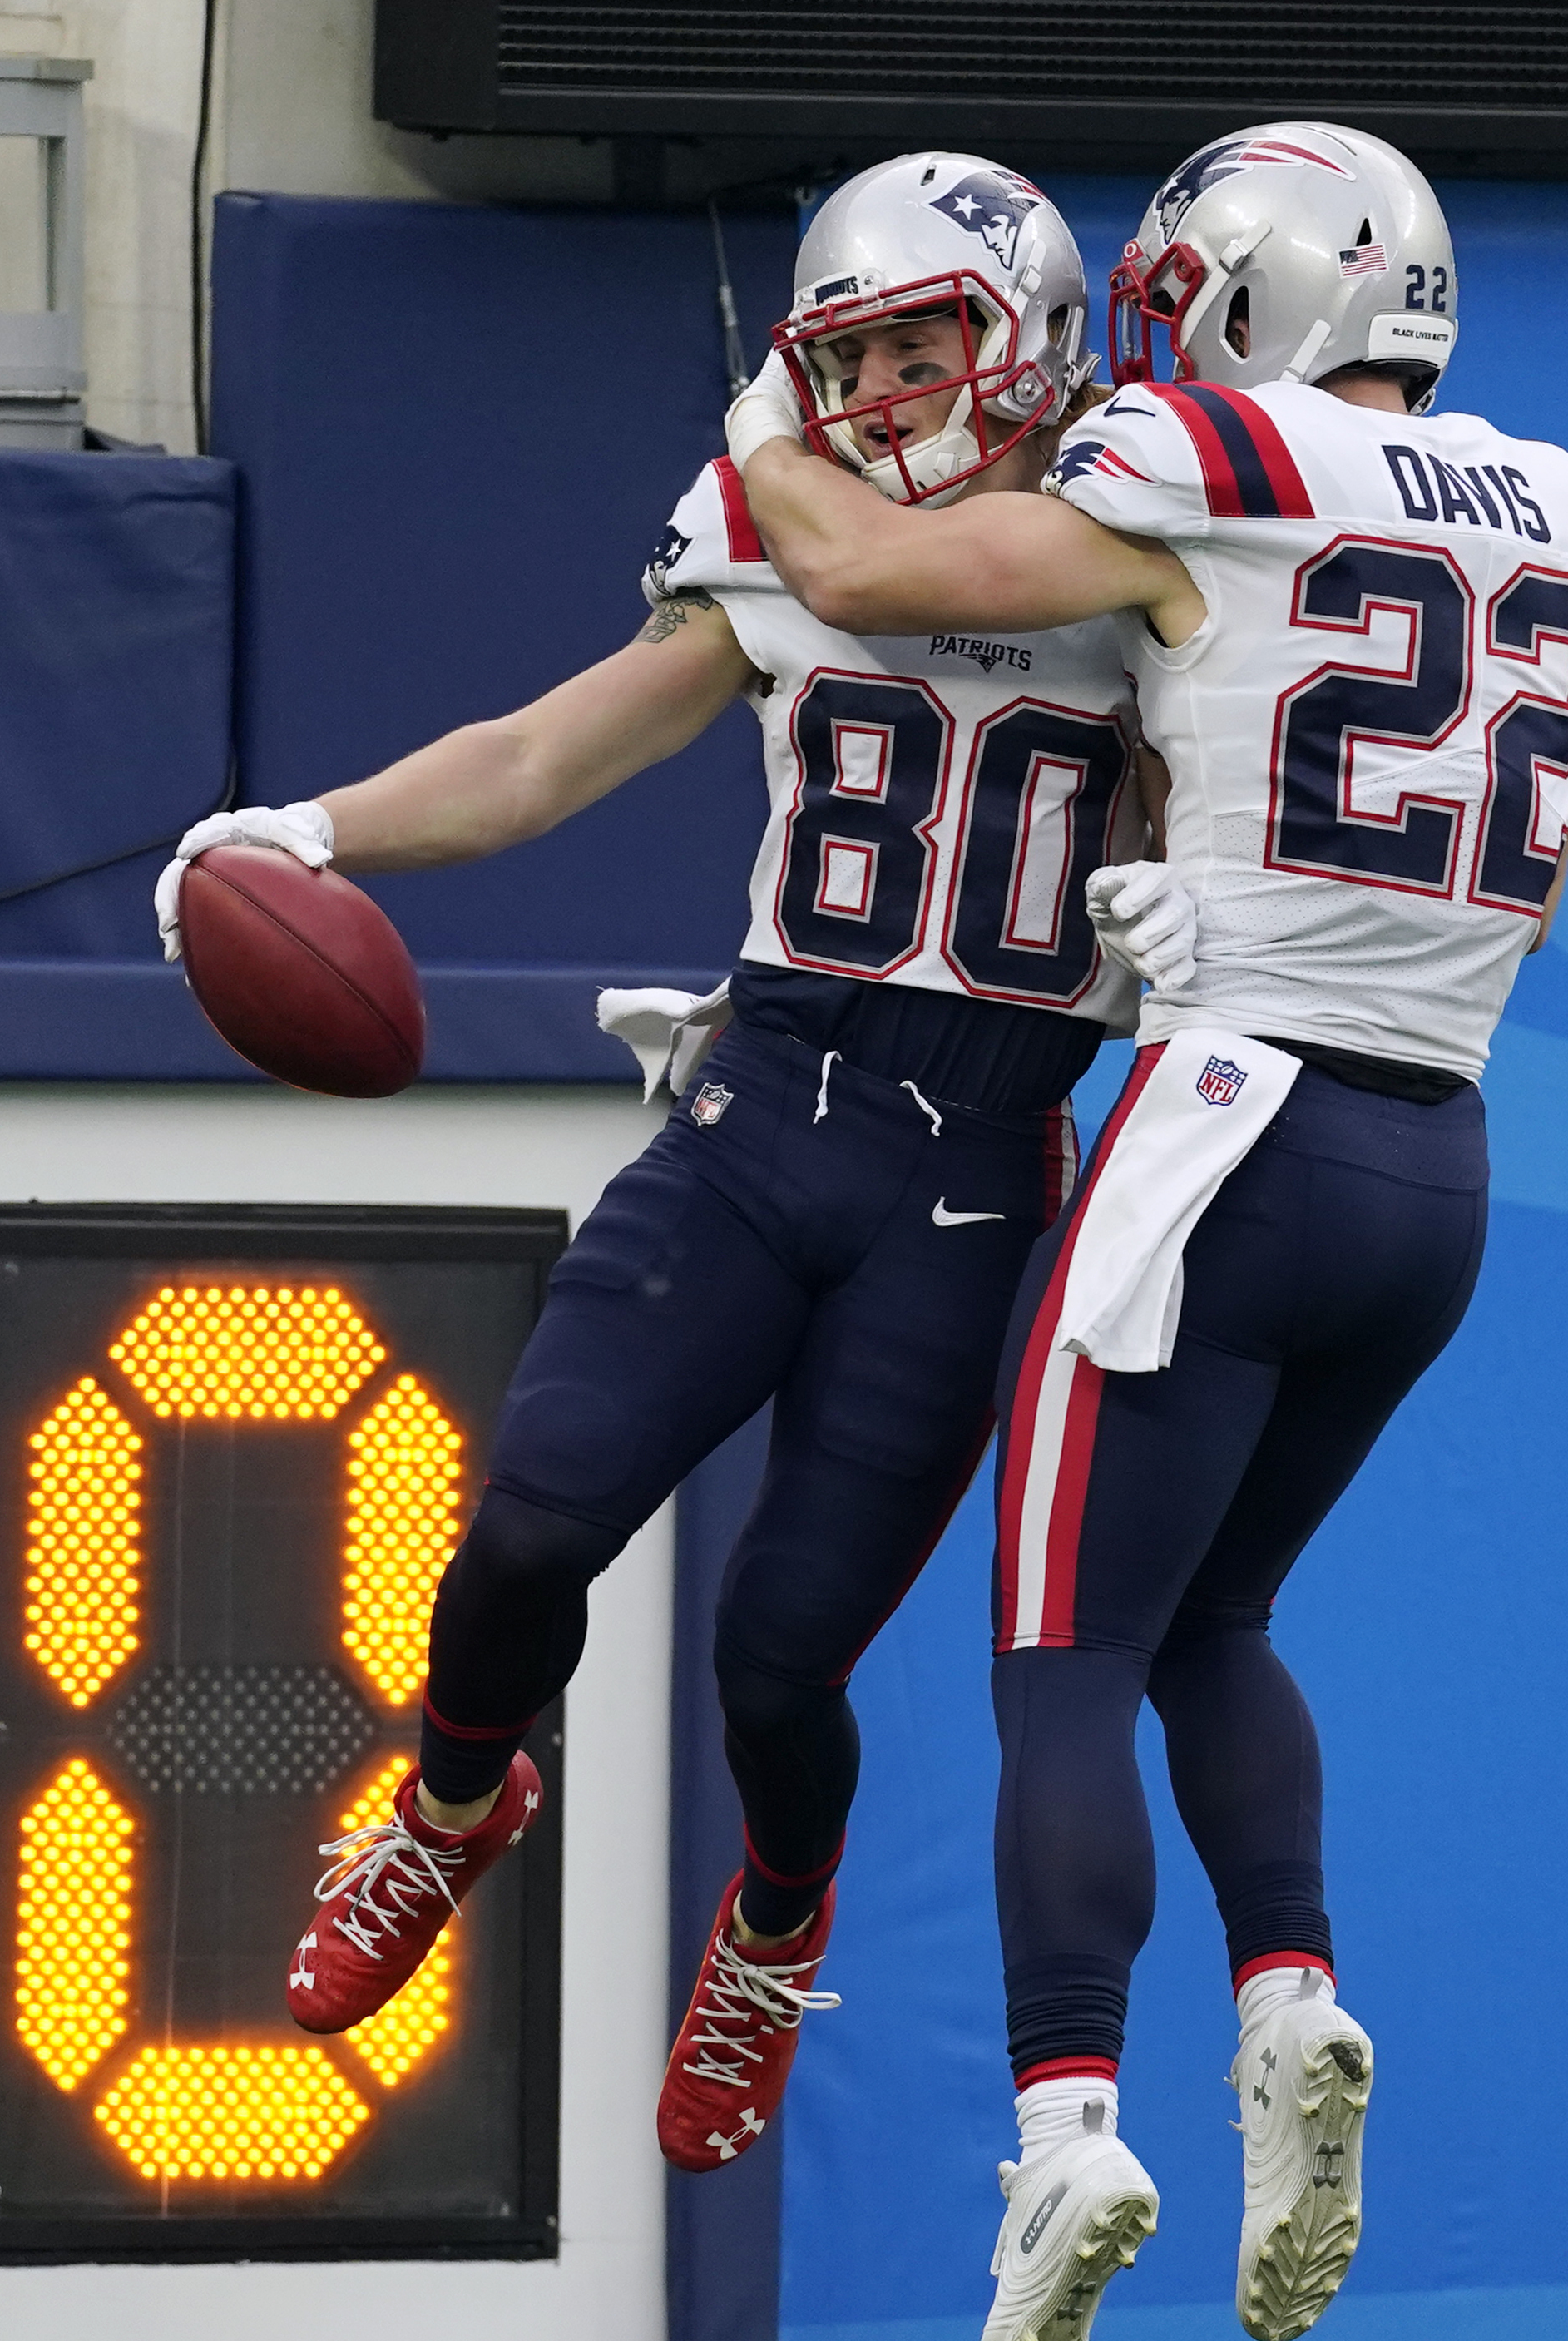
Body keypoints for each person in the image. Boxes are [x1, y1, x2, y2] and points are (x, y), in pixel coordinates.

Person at [728, 121, 1568, 2341]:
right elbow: (1512, 894)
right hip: (1435, 1153)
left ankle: (1059, 2132)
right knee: (1222, 1620)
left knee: (1065, 1644)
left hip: (1228, 1135)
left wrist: (762, 435)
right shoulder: (1565, 510)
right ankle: (1288, 1994)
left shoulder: (1207, 453)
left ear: (1259, 294)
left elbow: (889, 571)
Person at [153, 156, 1199, 2179]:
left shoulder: (1145, 539)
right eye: (855, 351)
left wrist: (1195, 897)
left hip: (975, 1162)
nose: (888, 386)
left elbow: (1227, 810)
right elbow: (547, 753)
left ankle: (777, 1921)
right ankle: (455, 1805)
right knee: (526, 1526)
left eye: (926, 340)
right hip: (767, 1091)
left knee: (780, 1650)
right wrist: (310, 832)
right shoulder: (778, 537)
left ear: (1034, 342)